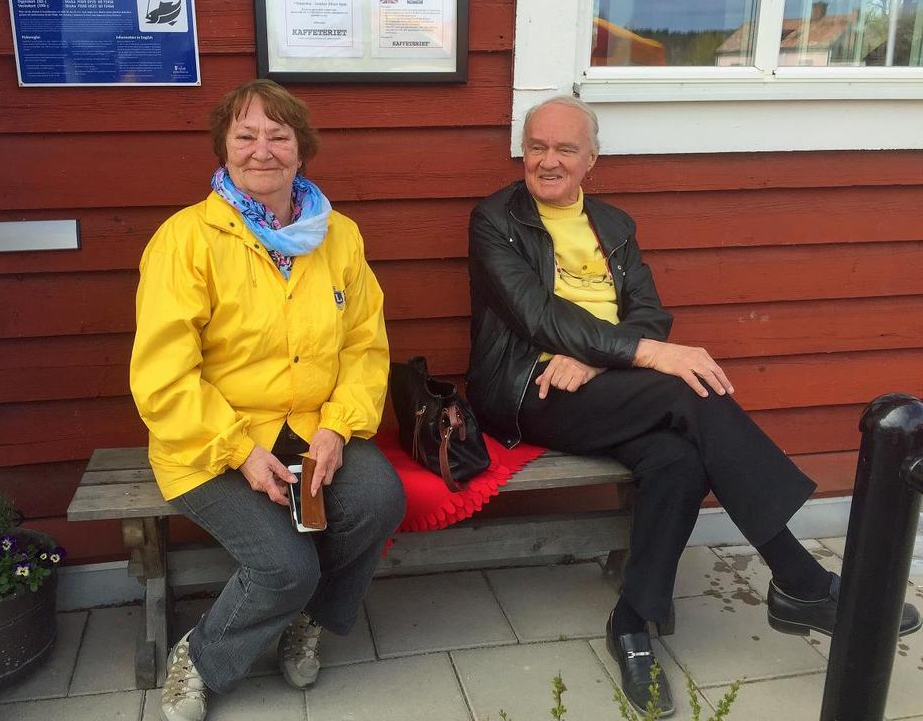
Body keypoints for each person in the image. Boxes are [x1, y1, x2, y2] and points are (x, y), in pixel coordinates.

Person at [466, 95, 921, 716]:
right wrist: (647, 355)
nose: (547, 161)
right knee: (685, 387)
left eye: (564, 149)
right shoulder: (495, 219)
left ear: (591, 159)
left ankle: (632, 622)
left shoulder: (615, 226)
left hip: (605, 381)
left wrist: (608, 357)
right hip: (531, 388)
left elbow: (651, 314)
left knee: (678, 458)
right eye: (536, 147)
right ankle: (798, 578)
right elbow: (537, 317)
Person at [130, 80, 405, 721]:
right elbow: (163, 375)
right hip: (208, 438)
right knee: (285, 564)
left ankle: (302, 622)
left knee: (377, 499)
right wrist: (238, 451)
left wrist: (338, 428)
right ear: (224, 148)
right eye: (246, 135)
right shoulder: (186, 240)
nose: (263, 150)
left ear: (300, 150)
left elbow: (366, 347)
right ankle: (199, 659)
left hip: (310, 426)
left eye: (279, 135)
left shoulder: (337, 236)